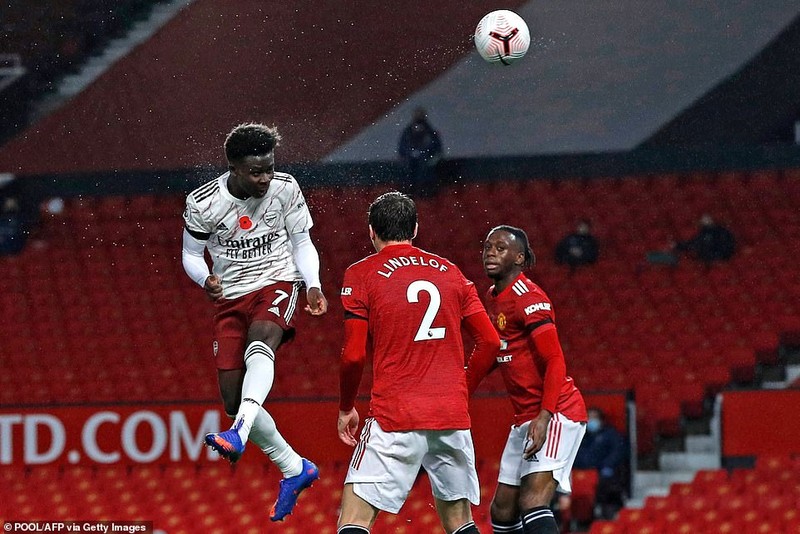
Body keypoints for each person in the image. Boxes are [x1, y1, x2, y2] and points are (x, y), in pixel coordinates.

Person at [181, 122, 328, 522]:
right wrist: (204, 278)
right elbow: (191, 255)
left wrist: (312, 284)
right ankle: (295, 467)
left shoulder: (286, 187)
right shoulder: (203, 202)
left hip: (277, 280)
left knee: (261, 341)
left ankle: (239, 435)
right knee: (232, 399)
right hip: (230, 297)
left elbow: (301, 241)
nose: (265, 178)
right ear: (233, 167)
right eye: (255, 172)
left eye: (269, 168)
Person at [337, 191, 500, 534]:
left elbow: (353, 354)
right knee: (459, 521)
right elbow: (490, 342)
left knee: (353, 519)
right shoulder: (451, 272)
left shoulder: (361, 273)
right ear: (415, 228)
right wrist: (459, 391)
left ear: (371, 231)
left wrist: (346, 406)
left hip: (396, 414)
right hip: (450, 416)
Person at [467, 225, 588, 534]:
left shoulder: (529, 297)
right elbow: (494, 351)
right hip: (524, 417)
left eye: (500, 248)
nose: (490, 252)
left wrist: (545, 415)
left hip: (557, 411)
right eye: (487, 247)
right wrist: (459, 390)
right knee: (502, 510)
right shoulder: (492, 298)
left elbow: (555, 359)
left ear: (519, 258)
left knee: (534, 501)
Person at [573, 408, 628, 520]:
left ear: (601, 419)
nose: (592, 420)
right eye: (590, 417)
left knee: (608, 486)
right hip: (583, 472)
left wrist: (606, 466)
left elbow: (617, 452)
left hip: (603, 473)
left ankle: (604, 513)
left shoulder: (610, 434)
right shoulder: (582, 436)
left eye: (594, 417)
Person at [397, 107, 443, 197]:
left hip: (426, 165)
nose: (418, 117)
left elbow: (436, 148)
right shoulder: (408, 131)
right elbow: (403, 147)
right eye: (417, 114)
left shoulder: (430, 132)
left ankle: (425, 192)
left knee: (425, 173)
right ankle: (410, 192)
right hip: (410, 164)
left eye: (420, 114)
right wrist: (406, 156)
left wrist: (432, 158)